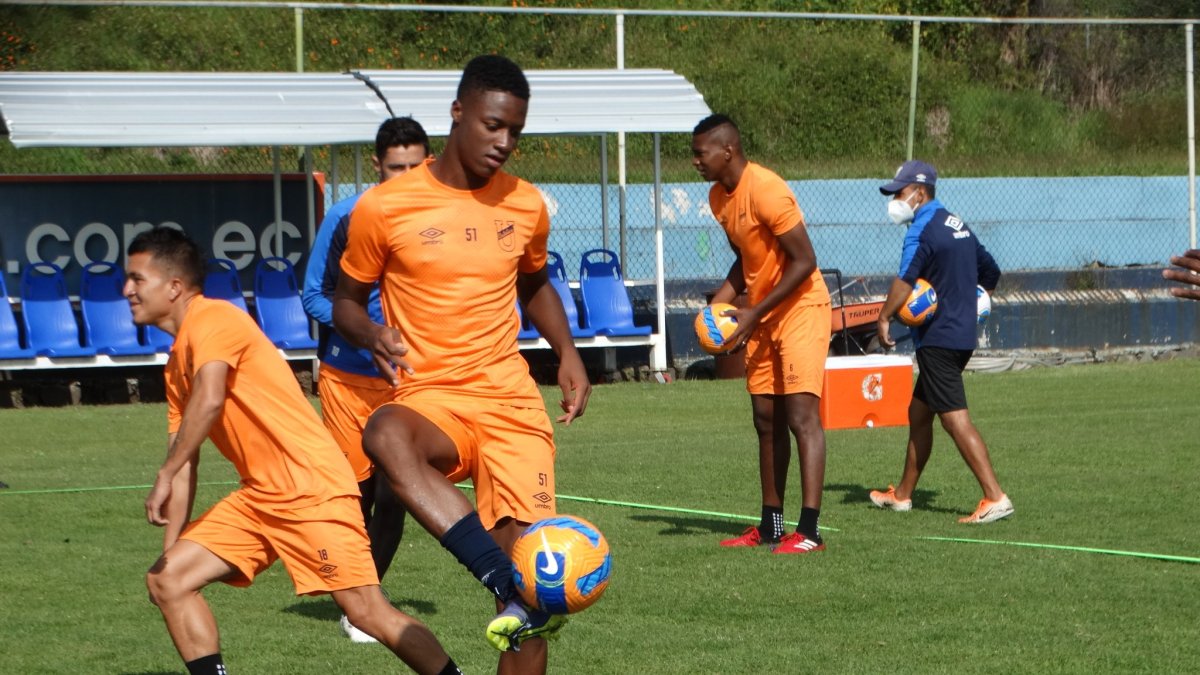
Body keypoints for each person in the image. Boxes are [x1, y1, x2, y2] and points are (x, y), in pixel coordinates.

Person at [332, 54, 592, 673]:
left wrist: (569, 353)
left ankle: (514, 587)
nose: (504, 143)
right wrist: (370, 330)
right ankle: (499, 577)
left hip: (510, 406)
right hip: (433, 399)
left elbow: (534, 283)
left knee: (534, 602)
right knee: (384, 433)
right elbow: (343, 302)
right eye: (493, 125)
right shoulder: (383, 207)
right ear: (458, 113)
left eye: (515, 132)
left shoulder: (526, 204)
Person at [124, 227, 462, 675]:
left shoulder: (215, 319)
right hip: (260, 497)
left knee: (366, 611)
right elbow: (185, 462)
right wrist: (171, 547)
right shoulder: (175, 365)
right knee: (167, 580)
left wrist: (165, 472)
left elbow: (208, 400)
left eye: (136, 279)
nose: (127, 290)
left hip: (310, 488)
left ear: (173, 287)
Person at [302, 116, 432, 644]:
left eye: (415, 167)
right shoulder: (346, 216)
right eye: (395, 167)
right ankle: (356, 599)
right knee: (353, 497)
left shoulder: (439, 219)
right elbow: (314, 296)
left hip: (409, 381)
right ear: (378, 166)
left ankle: (366, 606)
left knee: (397, 493)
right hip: (347, 380)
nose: (405, 178)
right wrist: (370, 334)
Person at [691, 113, 831, 555]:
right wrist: (720, 307)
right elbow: (746, 260)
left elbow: (804, 260)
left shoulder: (767, 189)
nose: (695, 161)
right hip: (763, 314)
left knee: (800, 418)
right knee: (764, 419)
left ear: (727, 151)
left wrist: (751, 313)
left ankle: (808, 531)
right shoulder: (718, 197)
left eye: (701, 153)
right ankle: (771, 525)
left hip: (801, 308)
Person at [869, 159, 1012, 524]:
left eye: (899, 192)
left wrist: (884, 317)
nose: (895, 199)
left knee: (955, 420)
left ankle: (995, 496)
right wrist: (971, 303)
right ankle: (901, 495)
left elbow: (905, 280)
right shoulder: (956, 223)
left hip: (938, 340)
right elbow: (991, 272)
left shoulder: (923, 230)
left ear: (920, 192)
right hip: (961, 335)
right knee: (919, 413)